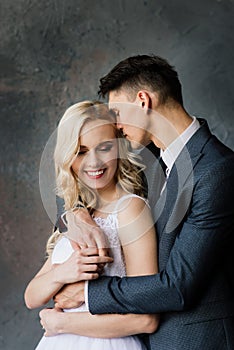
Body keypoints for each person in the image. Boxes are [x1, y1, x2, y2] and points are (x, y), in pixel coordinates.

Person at [39, 55, 234, 350]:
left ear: (143, 101)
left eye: (117, 111)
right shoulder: (148, 160)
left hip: (196, 341)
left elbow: (177, 286)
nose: (115, 125)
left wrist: (87, 293)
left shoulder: (217, 170)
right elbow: (74, 174)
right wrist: (77, 215)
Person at [24, 100, 159, 350]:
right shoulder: (79, 215)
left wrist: (62, 324)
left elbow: (146, 318)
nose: (93, 162)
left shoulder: (131, 209)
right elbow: (32, 296)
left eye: (105, 147)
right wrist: (63, 272)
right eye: (81, 151)